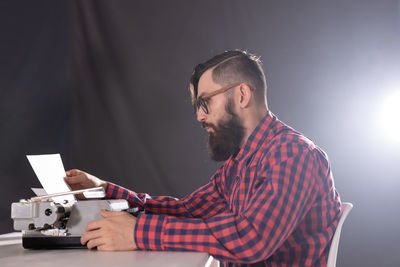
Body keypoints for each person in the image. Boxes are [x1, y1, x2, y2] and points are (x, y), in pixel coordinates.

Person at [65, 50, 341, 267]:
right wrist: (103, 189)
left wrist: (137, 233)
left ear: (242, 94)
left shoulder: (293, 154)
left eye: (205, 102)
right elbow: (187, 211)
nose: (199, 116)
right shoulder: (239, 163)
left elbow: (252, 237)